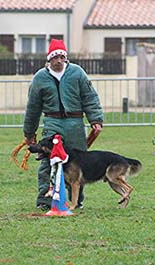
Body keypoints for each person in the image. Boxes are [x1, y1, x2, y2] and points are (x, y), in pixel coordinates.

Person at [23, 39, 103, 211]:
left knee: (79, 162)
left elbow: (90, 97)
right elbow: (33, 107)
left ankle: (77, 200)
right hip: (52, 123)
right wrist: (29, 132)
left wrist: (95, 120)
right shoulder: (40, 78)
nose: (59, 60)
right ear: (49, 59)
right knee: (47, 162)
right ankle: (45, 200)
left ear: (65, 58)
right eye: (55, 57)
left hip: (75, 123)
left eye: (61, 57)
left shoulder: (77, 73)